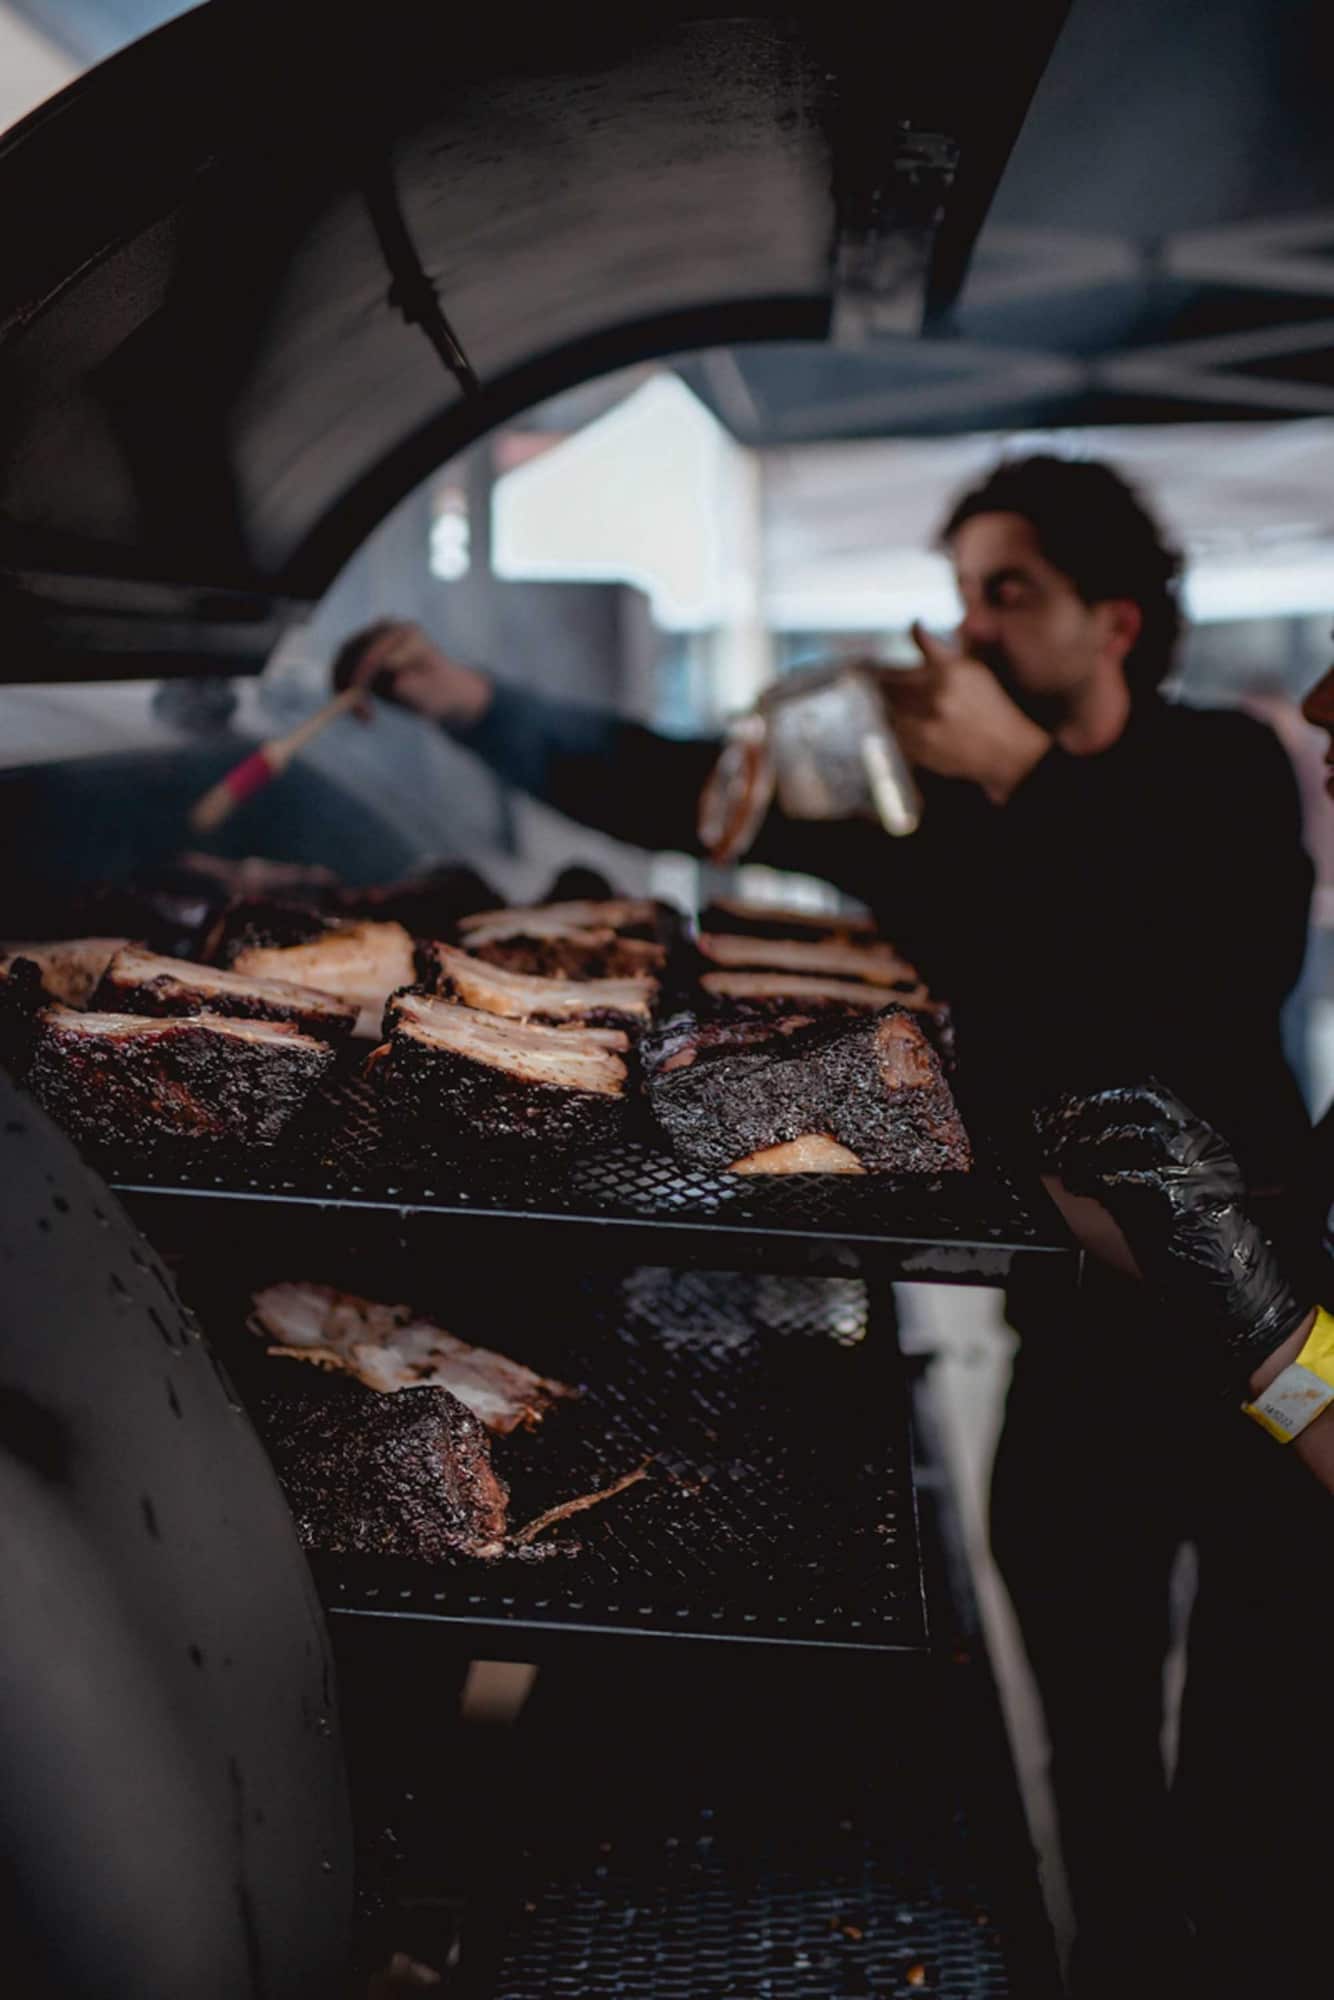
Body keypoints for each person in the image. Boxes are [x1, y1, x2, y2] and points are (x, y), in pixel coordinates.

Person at [335, 455, 1315, 1997]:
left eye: (1009, 592)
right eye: (961, 592)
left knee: (1269, 1738)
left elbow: (1205, 966)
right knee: (1086, 1682)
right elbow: (678, 782)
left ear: (1111, 620)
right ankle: (1127, 1961)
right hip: (1078, 1312)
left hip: (1278, 1308)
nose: (967, 630)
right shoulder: (918, 797)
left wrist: (1028, 782)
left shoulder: (1223, 774)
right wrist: (472, 701)